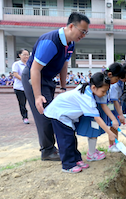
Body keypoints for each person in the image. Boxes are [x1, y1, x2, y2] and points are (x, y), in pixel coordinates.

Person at [21, 12, 90, 161]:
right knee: (45, 115)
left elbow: (64, 65)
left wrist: (63, 87)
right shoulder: (51, 42)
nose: (84, 35)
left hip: (48, 79)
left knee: (53, 113)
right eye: (82, 31)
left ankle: (53, 148)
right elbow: (35, 69)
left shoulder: (70, 44)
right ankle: (47, 150)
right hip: (34, 77)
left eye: (86, 32)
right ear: (71, 26)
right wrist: (38, 96)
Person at [44, 72, 116, 173]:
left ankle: (76, 159)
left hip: (66, 115)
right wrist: (110, 133)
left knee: (72, 139)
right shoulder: (87, 99)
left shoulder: (87, 88)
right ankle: (68, 165)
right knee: (66, 140)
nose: (104, 94)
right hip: (59, 114)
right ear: (94, 87)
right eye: (103, 91)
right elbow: (97, 118)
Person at [75, 62, 126, 158]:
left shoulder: (103, 82)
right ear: (110, 75)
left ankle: (92, 150)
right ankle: (91, 154)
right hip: (93, 111)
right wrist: (114, 119)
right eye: (117, 79)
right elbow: (103, 105)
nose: (116, 81)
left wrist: (114, 119)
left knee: (95, 131)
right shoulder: (102, 83)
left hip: (95, 110)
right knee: (93, 131)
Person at [12, 49, 30, 124]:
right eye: (24, 54)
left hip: (29, 87)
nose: (26, 56)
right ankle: (25, 117)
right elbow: (15, 74)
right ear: (19, 55)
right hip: (19, 88)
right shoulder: (16, 64)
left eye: (27, 55)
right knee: (22, 103)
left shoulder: (30, 64)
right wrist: (24, 80)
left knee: (34, 102)